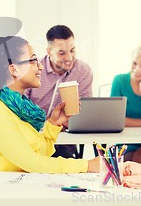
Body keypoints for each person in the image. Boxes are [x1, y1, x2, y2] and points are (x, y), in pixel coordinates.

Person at [0, 36, 99, 173]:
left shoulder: (19, 110)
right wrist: (87, 165)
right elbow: (33, 163)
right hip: (3, 191)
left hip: (21, 187)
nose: (41, 66)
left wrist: (53, 125)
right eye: (33, 61)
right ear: (14, 69)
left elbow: (39, 153)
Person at [24, 25, 93, 158]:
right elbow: (21, 106)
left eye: (72, 50)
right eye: (62, 52)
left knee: (62, 161)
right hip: (32, 135)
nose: (69, 57)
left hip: (62, 140)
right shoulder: (33, 69)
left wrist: (58, 123)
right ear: (49, 51)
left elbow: (83, 113)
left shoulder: (83, 71)